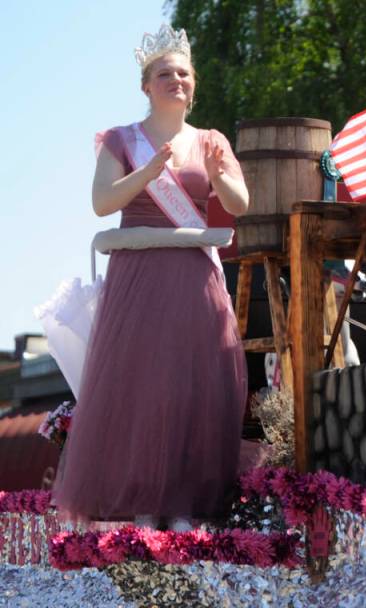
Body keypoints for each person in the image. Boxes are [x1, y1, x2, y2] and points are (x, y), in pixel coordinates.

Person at [52, 25, 249, 531]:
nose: (175, 80)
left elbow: (239, 205)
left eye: (183, 74)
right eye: (165, 74)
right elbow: (101, 203)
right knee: (142, 386)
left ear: (193, 84)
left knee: (191, 386)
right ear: (146, 85)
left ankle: (184, 505)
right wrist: (147, 172)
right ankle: (142, 504)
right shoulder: (121, 140)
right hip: (139, 277)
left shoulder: (210, 141)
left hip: (193, 278)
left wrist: (220, 173)